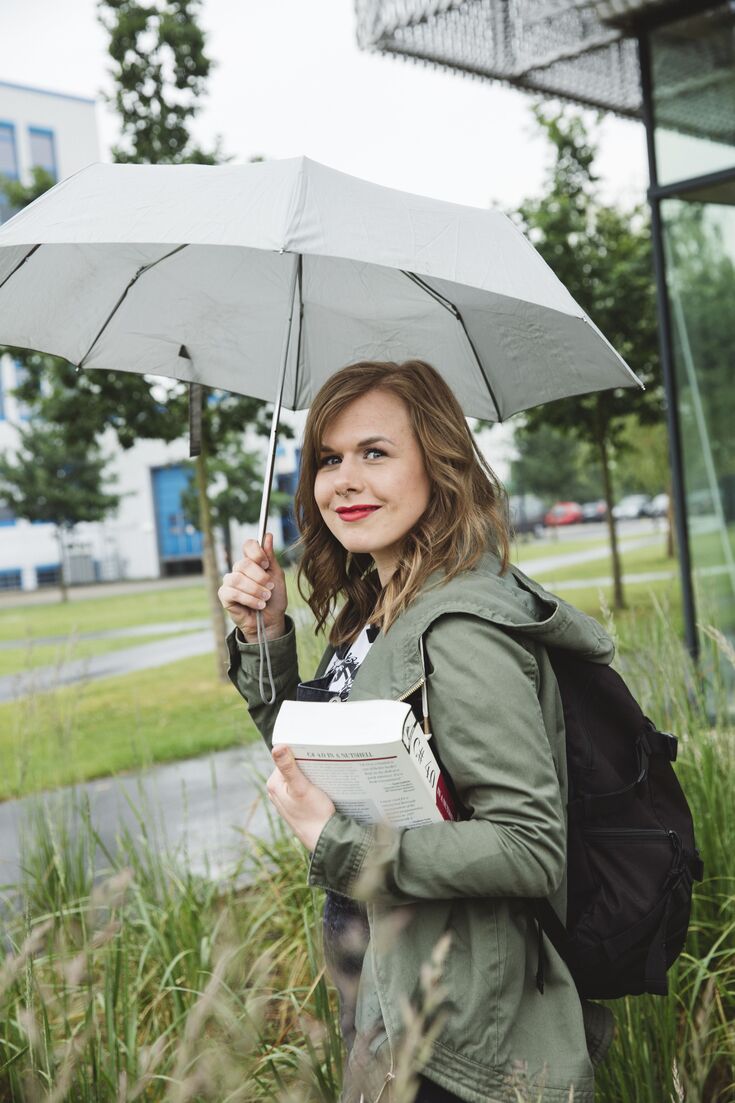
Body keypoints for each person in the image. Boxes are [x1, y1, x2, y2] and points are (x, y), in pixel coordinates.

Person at [219, 359, 614, 1103]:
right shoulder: (373, 610)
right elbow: (321, 763)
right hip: (385, 990)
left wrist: (339, 845)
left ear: (438, 462)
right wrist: (266, 634)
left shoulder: (461, 625)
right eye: (327, 459)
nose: (343, 480)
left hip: (458, 1034)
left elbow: (528, 845)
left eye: (375, 452)